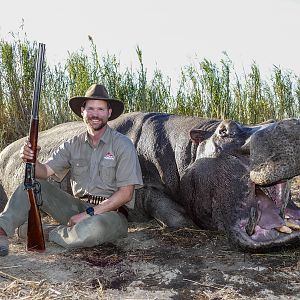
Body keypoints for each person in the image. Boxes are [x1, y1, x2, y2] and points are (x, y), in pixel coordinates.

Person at [0, 83, 143, 256]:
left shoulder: (123, 145)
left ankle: (47, 232)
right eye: (90, 108)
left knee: (91, 229)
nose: (95, 114)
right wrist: (32, 160)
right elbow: (44, 172)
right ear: (82, 111)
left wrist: (88, 214)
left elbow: (126, 194)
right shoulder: (72, 144)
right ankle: (2, 230)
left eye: (100, 109)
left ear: (109, 113)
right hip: (76, 208)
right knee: (32, 184)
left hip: (110, 215)